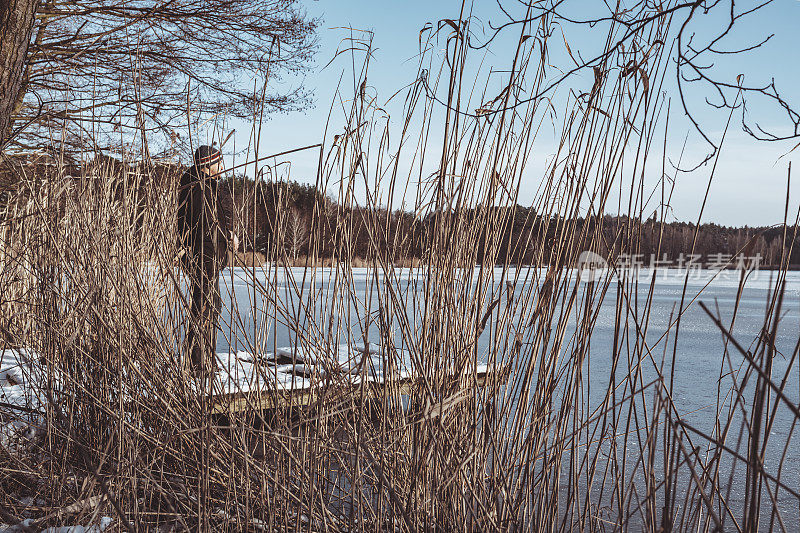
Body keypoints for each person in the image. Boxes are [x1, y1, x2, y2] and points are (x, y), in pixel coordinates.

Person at [176, 145, 238, 378]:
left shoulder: (206, 186)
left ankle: (204, 362)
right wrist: (213, 253)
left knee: (210, 306)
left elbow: (213, 222)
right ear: (206, 164)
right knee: (205, 307)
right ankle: (199, 367)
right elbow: (202, 228)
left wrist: (228, 234)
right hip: (203, 257)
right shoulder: (198, 188)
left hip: (207, 255)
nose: (223, 167)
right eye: (218, 163)